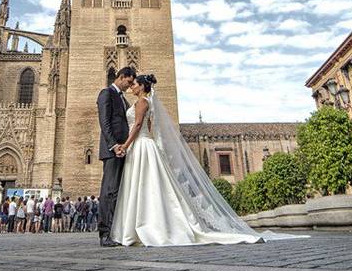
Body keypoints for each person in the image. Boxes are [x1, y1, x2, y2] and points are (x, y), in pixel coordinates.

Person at [110, 74, 288, 246]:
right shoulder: (145, 102)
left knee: (146, 186)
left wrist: (126, 145)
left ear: (142, 86)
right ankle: (150, 226)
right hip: (143, 145)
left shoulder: (142, 102)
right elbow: (148, 126)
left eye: (134, 84)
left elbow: (140, 125)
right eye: (131, 83)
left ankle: (147, 227)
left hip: (140, 145)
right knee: (150, 186)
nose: (131, 86)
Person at [96, 67, 136, 246]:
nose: (129, 86)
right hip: (113, 150)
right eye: (128, 82)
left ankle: (115, 231)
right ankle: (105, 233)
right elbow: (104, 122)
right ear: (121, 77)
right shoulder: (106, 93)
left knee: (117, 191)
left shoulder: (122, 98)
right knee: (109, 190)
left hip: (122, 149)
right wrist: (114, 145)